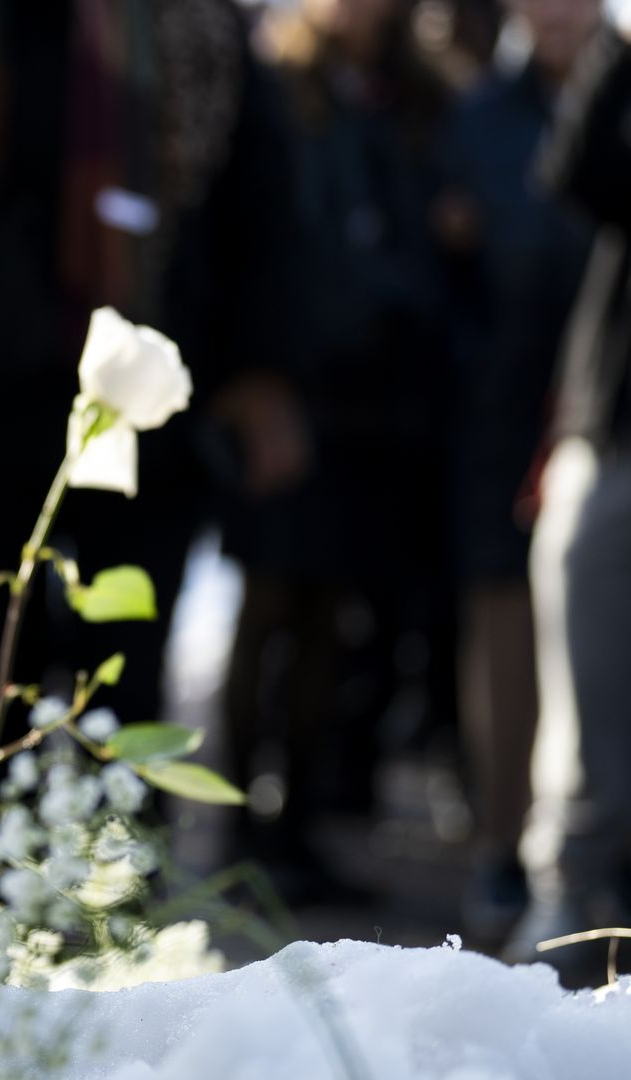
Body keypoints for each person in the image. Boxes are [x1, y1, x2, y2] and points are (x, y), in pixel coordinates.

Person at [0, 0, 307, 836]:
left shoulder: (201, 24)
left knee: (128, 676)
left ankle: (121, 882)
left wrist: (262, 373)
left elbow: (261, 206)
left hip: (149, 409)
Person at [224, 0, 456, 899]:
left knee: (330, 614)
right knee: (268, 605)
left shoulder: (416, 97)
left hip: (376, 400)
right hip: (287, 383)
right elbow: (262, 234)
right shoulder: (279, 83)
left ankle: (297, 827)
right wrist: (254, 377)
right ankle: (239, 826)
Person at [436, 0, 599, 942]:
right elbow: (445, 268)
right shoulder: (477, 118)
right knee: (503, 640)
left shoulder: (615, 98)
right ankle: (503, 848)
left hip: (602, 404)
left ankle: (587, 860)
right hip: (499, 408)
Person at [507, 11, 631, 970]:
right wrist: (621, 42)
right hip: (615, 427)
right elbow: (575, 171)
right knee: (584, 668)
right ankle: (568, 889)